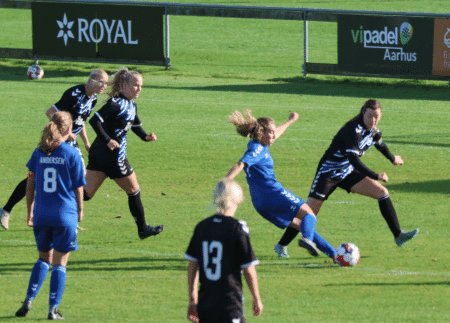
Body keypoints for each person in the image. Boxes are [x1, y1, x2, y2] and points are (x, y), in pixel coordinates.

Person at [276, 99, 419, 253]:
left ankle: (398, 235)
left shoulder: (373, 130)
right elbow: (354, 160)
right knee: (309, 213)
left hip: (347, 172)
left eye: (376, 116)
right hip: (328, 174)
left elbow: (379, 143)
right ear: (363, 112)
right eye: (370, 116)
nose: (373, 120)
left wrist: (392, 158)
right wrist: (375, 175)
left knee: (382, 193)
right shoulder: (353, 130)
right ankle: (281, 245)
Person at [0, 69, 108, 230]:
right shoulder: (74, 94)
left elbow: (81, 120)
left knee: (75, 177)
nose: (104, 86)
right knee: (37, 177)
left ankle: (66, 215)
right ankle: (6, 210)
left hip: (71, 142)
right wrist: (67, 132)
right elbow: (50, 113)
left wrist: (86, 142)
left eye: (106, 83)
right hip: (57, 140)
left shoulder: (92, 98)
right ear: (91, 80)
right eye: (101, 82)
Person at [225, 110, 337, 260]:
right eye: (270, 132)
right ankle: (308, 240)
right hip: (273, 194)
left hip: (260, 204)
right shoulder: (257, 149)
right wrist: (225, 181)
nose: (273, 136)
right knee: (309, 214)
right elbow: (240, 164)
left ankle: (335, 255)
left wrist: (290, 121)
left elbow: (276, 133)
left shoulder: (258, 142)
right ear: (261, 132)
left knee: (300, 224)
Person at [15, 111, 85, 320]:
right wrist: (80, 211)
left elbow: (30, 184)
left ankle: (28, 299)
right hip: (65, 215)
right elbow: (79, 187)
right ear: (68, 129)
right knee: (60, 263)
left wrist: (30, 212)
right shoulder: (71, 154)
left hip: (42, 215)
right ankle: (52, 309)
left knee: (43, 259)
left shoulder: (38, 153)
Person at [83, 67, 163, 239]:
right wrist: (109, 140)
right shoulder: (115, 104)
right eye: (135, 86)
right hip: (113, 157)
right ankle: (143, 230)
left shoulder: (131, 105)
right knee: (134, 190)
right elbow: (95, 120)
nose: (139, 89)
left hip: (99, 155)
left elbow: (135, 127)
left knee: (86, 194)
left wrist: (146, 137)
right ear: (124, 85)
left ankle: (54, 205)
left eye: (141, 86)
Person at [185, 178, 263, 323]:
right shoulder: (237, 229)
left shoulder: (202, 227)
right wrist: (256, 297)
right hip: (229, 304)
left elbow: (192, 266)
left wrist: (192, 298)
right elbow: (248, 269)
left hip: (205, 304)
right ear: (238, 200)